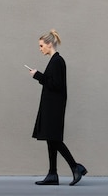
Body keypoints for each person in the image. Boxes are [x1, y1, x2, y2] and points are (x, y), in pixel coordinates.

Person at [28, 29, 87, 186]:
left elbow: (56, 85)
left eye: (41, 46)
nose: (40, 49)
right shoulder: (54, 61)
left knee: (54, 139)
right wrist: (40, 76)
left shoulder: (57, 61)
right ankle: (52, 174)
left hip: (53, 108)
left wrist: (38, 75)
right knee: (51, 139)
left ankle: (76, 167)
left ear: (49, 44)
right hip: (51, 106)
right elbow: (52, 82)